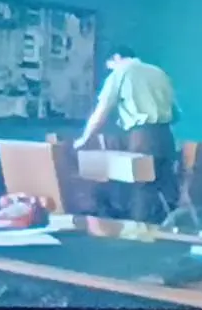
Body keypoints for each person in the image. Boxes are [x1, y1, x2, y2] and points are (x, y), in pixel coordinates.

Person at [74, 45, 180, 223]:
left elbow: (102, 111)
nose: (111, 70)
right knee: (165, 191)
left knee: (142, 189)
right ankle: (168, 232)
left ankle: (140, 233)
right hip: (166, 137)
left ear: (116, 58)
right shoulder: (159, 73)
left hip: (143, 138)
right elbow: (175, 114)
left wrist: (85, 138)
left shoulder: (121, 73)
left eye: (110, 66)